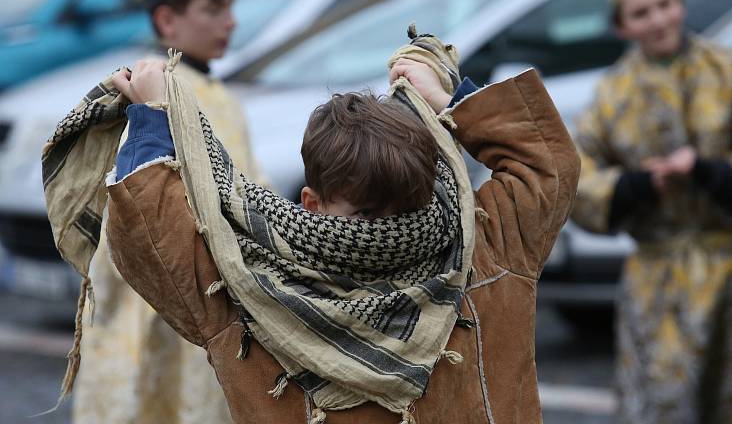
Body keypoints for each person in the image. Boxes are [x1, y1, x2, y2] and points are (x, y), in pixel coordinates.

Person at [43, 26, 580, 422]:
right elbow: (546, 167)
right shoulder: (484, 250)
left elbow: (153, 241)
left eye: (405, 208)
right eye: (369, 214)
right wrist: (451, 100)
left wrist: (154, 115)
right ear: (312, 202)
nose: (387, 231)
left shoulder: (244, 289)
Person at [570, 0, 732, 424]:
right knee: (663, 405)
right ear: (621, 27)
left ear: (680, 3)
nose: (657, 20)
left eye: (664, 4)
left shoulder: (731, 70)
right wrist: (635, 186)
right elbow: (577, 177)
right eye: (640, 13)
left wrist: (711, 172)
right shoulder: (613, 92)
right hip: (659, 285)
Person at [72, 0, 261, 424]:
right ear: (166, 19)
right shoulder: (148, 96)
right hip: (163, 295)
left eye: (230, 5)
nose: (230, 20)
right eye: (214, 7)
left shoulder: (220, 96)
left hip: (209, 290)